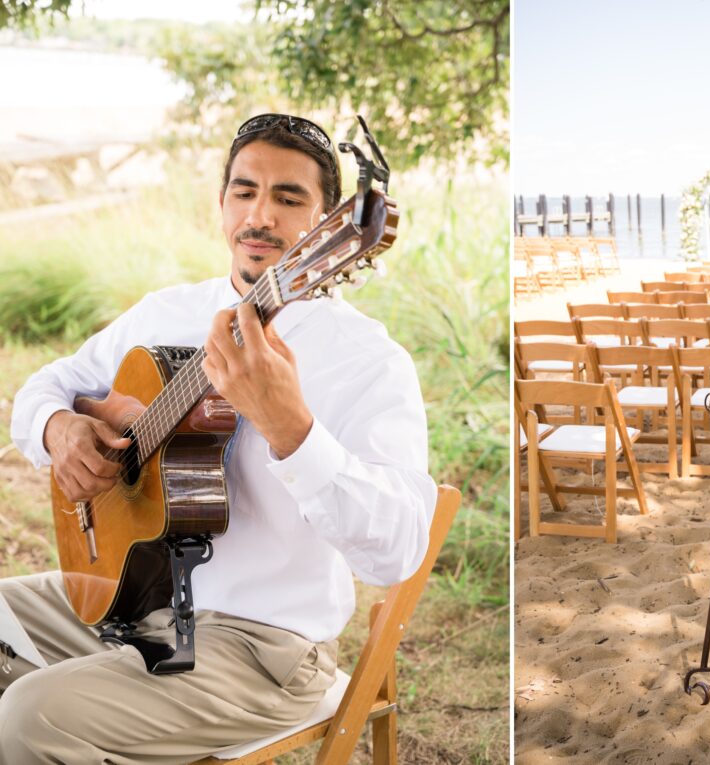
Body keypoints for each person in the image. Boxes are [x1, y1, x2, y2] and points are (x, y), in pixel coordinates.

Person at [0, 113, 436, 763]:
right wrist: (56, 427)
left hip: (265, 648)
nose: (260, 215)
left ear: (327, 227)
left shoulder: (368, 360)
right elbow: (47, 386)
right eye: (244, 190)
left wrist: (292, 427)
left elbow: (398, 551)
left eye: (289, 198)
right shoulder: (165, 312)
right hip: (129, 597)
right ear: (222, 202)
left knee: (29, 717)